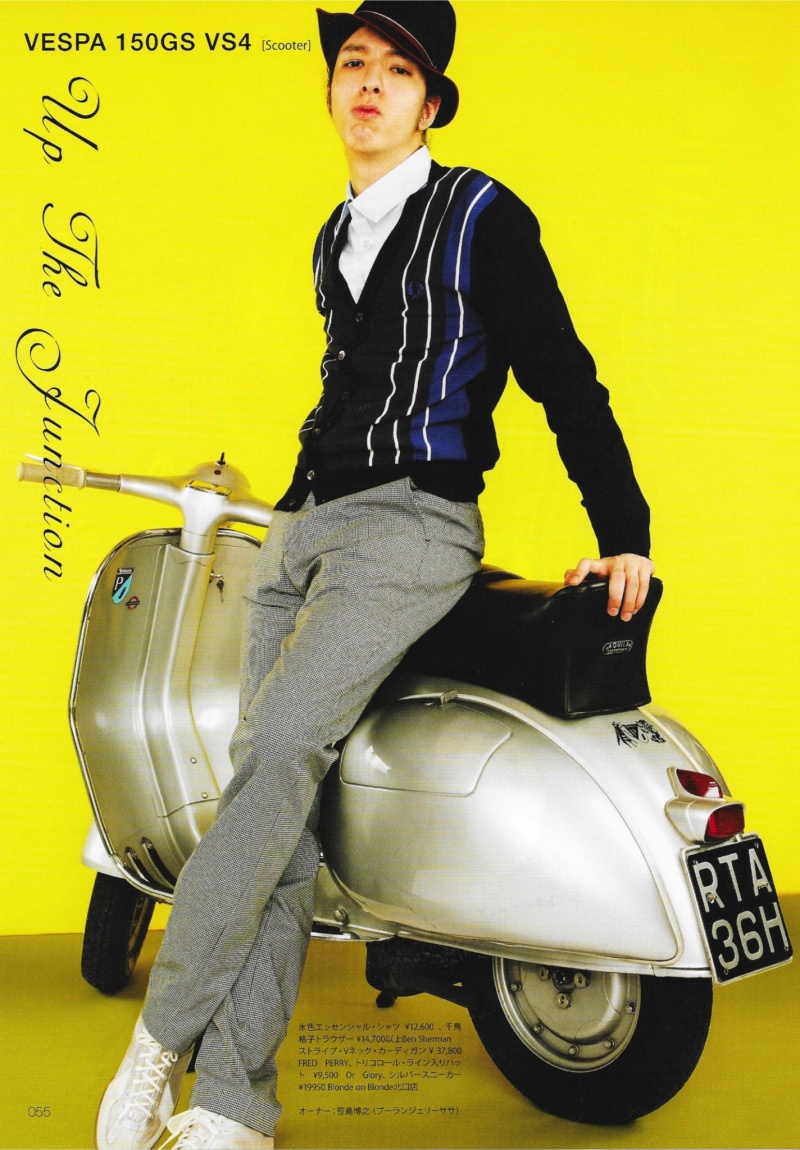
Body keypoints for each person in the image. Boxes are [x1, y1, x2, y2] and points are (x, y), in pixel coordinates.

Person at [95, 3, 654, 1148]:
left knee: (274, 754)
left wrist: (624, 527)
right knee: (277, 806)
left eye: (397, 70)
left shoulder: (480, 215)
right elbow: (347, 384)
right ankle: (234, 1104)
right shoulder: (332, 237)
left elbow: (561, 373)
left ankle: (160, 1039)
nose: (368, 83)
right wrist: (287, 501)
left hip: (411, 527)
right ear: (330, 90)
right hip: (302, 532)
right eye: (352, 63)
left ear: (428, 103)